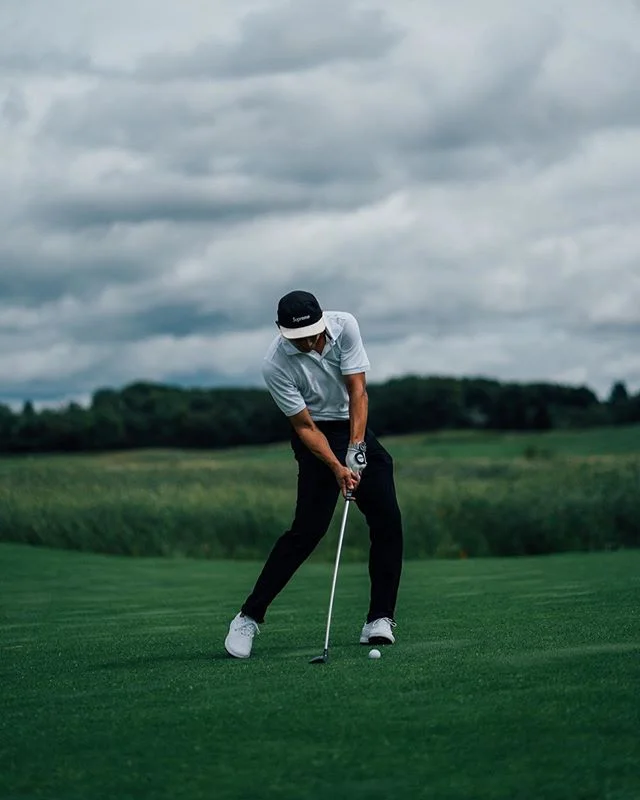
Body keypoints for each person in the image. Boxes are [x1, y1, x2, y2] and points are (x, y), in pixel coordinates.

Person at [224, 290, 403, 659]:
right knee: (306, 532)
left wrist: (356, 449)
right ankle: (248, 617)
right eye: (297, 338)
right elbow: (304, 427)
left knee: (387, 520)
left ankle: (380, 619)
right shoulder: (274, 364)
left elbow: (358, 390)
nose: (307, 343)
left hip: (353, 426)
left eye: (312, 334)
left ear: (323, 320)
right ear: (281, 330)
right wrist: (338, 468)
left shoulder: (346, 326)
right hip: (316, 435)